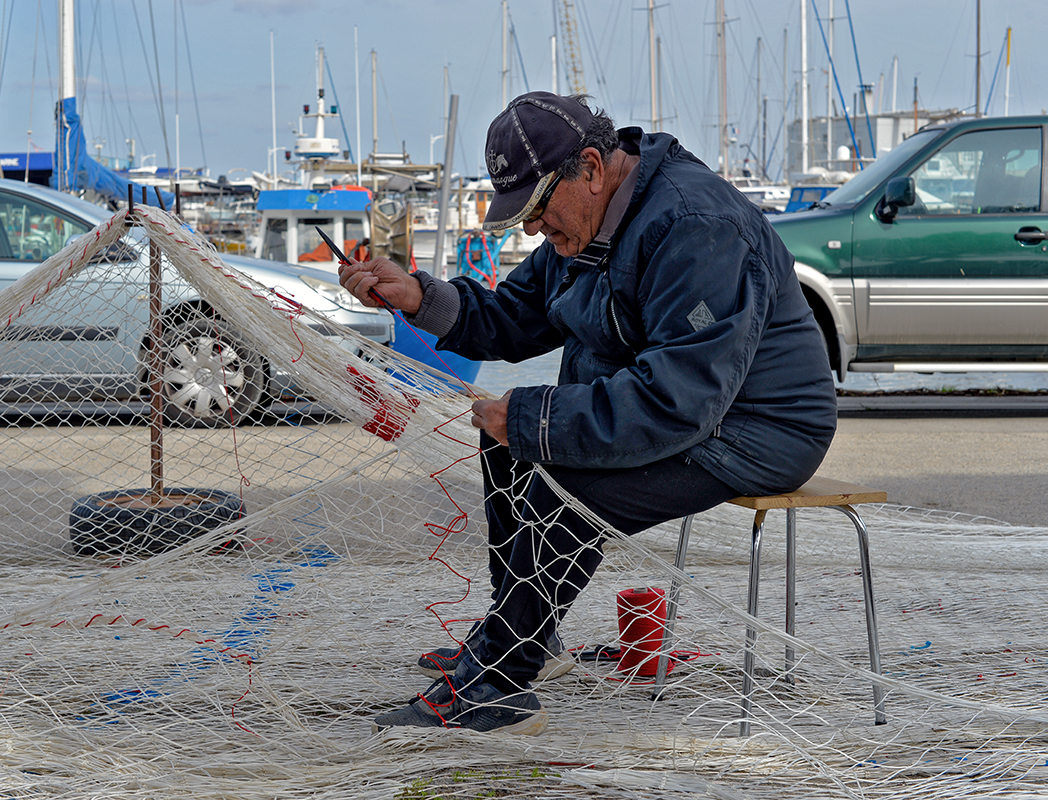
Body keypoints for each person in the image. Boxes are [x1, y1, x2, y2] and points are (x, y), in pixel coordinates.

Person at [338, 91, 838, 736]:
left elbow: (678, 398)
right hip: (692, 413)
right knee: (511, 443)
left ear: (593, 168)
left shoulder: (693, 225)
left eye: (538, 209)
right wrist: (416, 297)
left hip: (754, 430)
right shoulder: (587, 226)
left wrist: (535, 418)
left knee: (558, 480)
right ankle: (521, 638)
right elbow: (513, 318)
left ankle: (500, 680)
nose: (530, 229)